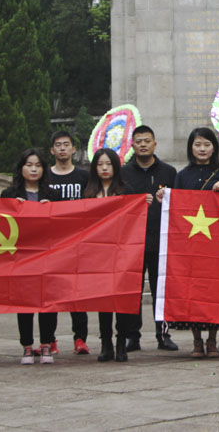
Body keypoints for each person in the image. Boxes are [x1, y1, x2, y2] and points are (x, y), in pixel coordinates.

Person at [170, 127, 219, 358]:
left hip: (216, 245)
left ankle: (213, 340)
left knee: (215, 292)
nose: (202, 149)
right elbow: (176, 207)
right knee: (192, 292)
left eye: (206, 144)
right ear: (191, 148)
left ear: (214, 148)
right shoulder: (182, 175)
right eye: (197, 145)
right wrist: (164, 198)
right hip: (190, 245)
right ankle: (197, 341)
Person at [121, 125, 179, 353]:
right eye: (139, 141)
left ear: (155, 144)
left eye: (147, 141)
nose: (143, 145)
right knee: (132, 292)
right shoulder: (124, 173)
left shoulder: (169, 172)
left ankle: (163, 335)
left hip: (161, 241)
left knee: (161, 291)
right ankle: (132, 336)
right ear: (132, 145)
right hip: (132, 242)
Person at [85, 148, 147, 362]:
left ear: (115, 167)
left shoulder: (126, 190)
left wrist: (144, 202)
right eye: (100, 164)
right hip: (98, 254)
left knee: (121, 299)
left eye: (108, 164)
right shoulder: (89, 192)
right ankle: (106, 344)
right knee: (103, 301)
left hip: (122, 253)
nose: (104, 168)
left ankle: (122, 342)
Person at [0, 149, 62, 365]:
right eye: (29, 165)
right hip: (21, 258)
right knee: (24, 302)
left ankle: (46, 344)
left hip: (47, 256)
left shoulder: (52, 195)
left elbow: (63, 226)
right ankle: (27, 346)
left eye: (38, 165)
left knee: (48, 303)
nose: (33, 169)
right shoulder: (9, 195)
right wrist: (12, 209)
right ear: (21, 168)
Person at [47, 130, 91, 355]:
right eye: (58, 145)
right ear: (52, 150)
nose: (62, 148)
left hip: (78, 244)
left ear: (74, 149)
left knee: (78, 295)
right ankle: (49, 340)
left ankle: (80, 339)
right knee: (50, 294)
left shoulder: (84, 177)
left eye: (66, 144)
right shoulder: (45, 177)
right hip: (51, 245)